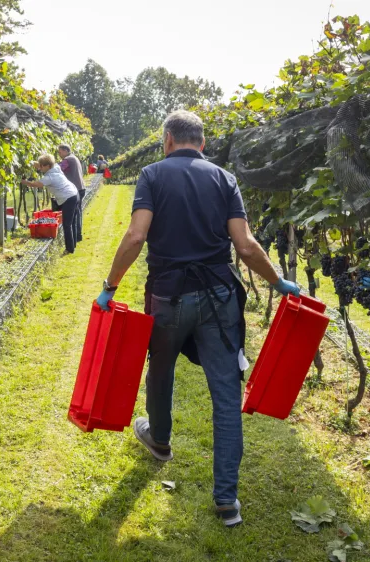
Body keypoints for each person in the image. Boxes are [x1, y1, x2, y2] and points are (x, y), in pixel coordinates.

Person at [96, 110, 300, 528]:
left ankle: (160, 440)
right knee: (225, 394)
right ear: (202, 143)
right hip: (219, 297)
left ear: (168, 140)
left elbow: (136, 235)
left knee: (161, 367)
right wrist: (278, 282)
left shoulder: (152, 175)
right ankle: (227, 500)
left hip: (168, 296)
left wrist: (110, 286)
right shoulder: (224, 179)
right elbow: (245, 246)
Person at [22, 154, 80, 254]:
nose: (40, 168)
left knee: (67, 224)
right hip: (74, 193)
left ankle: (69, 249)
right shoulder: (55, 167)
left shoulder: (49, 177)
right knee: (72, 222)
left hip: (68, 198)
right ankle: (73, 245)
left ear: (48, 166)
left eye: (42, 166)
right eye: (40, 165)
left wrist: (23, 181)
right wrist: (31, 163)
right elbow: (41, 164)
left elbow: (35, 184)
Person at [57, 144, 86, 244]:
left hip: (75, 189)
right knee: (78, 212)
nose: (59, 154)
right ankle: (78, 235)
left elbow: (58, 169)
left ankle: (76, 236)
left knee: (74, 215)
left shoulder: (68, 160)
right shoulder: (74, 158)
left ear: (66, 150)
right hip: (80, 187)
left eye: (60, 152)